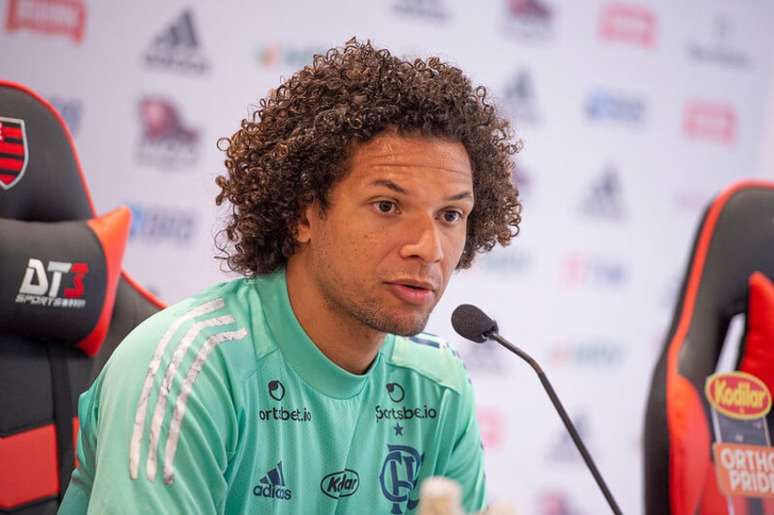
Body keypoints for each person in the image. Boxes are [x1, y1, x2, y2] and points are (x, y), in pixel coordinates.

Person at [59, 38, 522, 514]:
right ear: (304, 215)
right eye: (387, 206)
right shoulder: (187, 372)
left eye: (450, 215)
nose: (428, 248)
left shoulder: (437, 386)